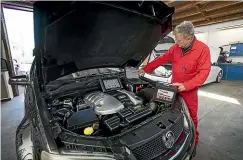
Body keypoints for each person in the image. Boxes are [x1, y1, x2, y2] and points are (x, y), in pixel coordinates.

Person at [138, 21, 211, 156]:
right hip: (173, 87)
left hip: (189, 91)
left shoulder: (202, 49)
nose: (177, 43)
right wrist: (145, 69)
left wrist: (186, 86)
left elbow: (204, 73)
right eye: (176, 40)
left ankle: (193, 143)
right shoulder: (175, 48)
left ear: (189, 38)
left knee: (191, 118)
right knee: (169, 113)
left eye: (179, 40)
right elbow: (162, 59)